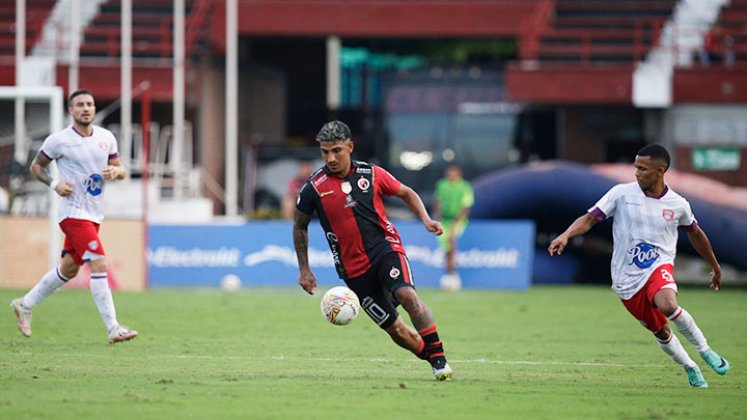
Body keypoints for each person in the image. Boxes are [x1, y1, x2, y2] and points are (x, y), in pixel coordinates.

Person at [548, 144, 729, 388]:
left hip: (658, 265)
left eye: (642, 168)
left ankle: (705, 350)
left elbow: (696, 234)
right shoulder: (621, 194)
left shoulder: (678, 204)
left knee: (667, 304)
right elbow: (590, 218)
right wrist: (566, 235)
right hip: (626, 278)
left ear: (660, 170)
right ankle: (690, 367)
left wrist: (715, 266)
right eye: (635, 167)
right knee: (661, 331)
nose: (636, 172)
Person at [293, 120, 453, 381]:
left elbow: (406, 192)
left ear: (350, 147)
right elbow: (299, 226)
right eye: (325, 152)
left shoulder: (372, 174)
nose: (330, 158)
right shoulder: (314, 188)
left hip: (385, 249)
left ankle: (439, 360)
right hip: (353, 272)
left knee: (407, 295)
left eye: (336, 150)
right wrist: (304, 269)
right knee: (397, 330)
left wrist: (425, 219)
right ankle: (430, 354)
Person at [10, 89, 138, 344]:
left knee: (69, 269)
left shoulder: (106, 137)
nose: (86, 108)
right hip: (72, 213)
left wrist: (116, 172)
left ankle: (24, 304)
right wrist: (55, 184)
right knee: (99, 264)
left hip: (94, 213)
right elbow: (36, 167)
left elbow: (121, 169)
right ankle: (113, 328)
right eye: (80, 105)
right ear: (71, 110)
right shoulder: (58, 140)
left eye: (89, 104)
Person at [433, 164, 474, 291]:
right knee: (447, 249)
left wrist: (454, 225)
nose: (451, 175)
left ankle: (452, 274)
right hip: (443, 221)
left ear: (459, 174)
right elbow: (438, 202)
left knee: (451, 242)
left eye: (454, 173)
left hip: (458, 221)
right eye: (449, 173)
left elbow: (466, 207)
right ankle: (449, 274)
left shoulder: (465, 186)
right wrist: (436, 219)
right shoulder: (442, 185)